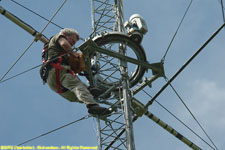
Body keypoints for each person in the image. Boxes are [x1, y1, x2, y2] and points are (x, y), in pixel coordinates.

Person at [43, 28, 111, 116]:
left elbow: (80, 67)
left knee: (77, 95)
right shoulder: (58, 37)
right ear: (66, 35)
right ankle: (92, 106)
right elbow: (64, 43)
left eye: (74, 43)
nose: (72, 44)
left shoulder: (60, 53)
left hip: (53, 82)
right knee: (77, 86)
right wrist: (73, 53)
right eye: (72, 40)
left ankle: (91, 94)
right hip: (57, 71)